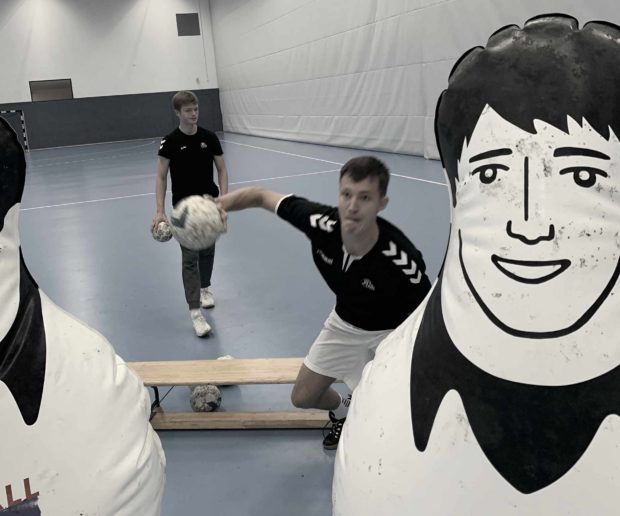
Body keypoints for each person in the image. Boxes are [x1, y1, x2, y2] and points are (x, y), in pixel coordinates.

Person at [217, 156, 431, 448]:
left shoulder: (400, 259)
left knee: (399, 411)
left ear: (382, 203)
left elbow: (426, 309)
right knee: (303, 396)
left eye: (364, 197)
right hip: (345, 323)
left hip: (393, 332)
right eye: (346, 194)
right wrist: (217, 205)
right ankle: (344, 410)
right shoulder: (320, 223)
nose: (352, 206)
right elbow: (259, 195)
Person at [151, 90, 229, 337]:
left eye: (195, 109)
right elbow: (161, 177)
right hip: (183, 210)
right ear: (178, 112)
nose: (193, 114)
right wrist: (160, 211)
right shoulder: (170, 142)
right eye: (188, 110)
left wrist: (223, 201)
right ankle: (195, 312)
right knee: (189, 259)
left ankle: (205, 288)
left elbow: (222, 170)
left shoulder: (209, 138)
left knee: (207, 250)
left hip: (208, 205)